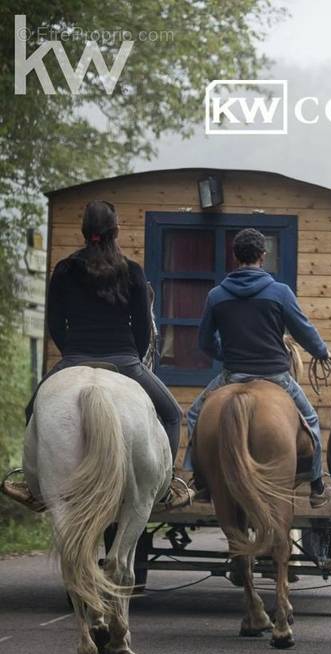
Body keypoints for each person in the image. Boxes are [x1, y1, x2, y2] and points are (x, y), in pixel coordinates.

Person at [3, 200, 191, 511]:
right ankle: (166, 482)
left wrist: (71, 354)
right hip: (126, 361)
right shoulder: (131, 271)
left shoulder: (65, 269)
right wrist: (133, 354)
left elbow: (55, 322)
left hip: (74, 357)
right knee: (172, 414)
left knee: (32, 410)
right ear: (116, 231)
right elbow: (144, 327)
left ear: (84, 231)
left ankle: (32, 484)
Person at [185, 228, 331, 507]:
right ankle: (317, 486)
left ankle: (201, 481)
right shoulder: (280, 292)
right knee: (311, 420)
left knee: (195, 415)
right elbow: (302, 330)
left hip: (232, 374)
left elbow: (205, 342)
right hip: (276, 377)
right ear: (262, 257)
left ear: (235, 257)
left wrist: (226, 352)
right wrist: (321, 351)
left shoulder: (216, 295)